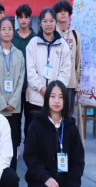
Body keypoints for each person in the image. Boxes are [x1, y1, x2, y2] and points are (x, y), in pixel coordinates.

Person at [24, 80, 84, 187]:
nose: (57, 101)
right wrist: (45, 177)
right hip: (41, 181)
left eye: (61, 97)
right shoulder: (36, 125)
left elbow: (78, 162)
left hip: (62, 184)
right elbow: (30, 157)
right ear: (47, 99)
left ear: (66, 100)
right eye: (52, 96)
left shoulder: (71, 127)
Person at [25, 8, 71, 136]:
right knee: (34, 134)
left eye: (51, 21)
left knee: (53, 135)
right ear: (40, 23)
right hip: (35, 99)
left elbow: (65, 71)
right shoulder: (32, 44)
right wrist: (41, 88)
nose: (48, 24)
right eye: (45, 21)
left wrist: (53, 91)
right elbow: (31, 71)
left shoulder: (63, 45)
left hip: (56, 100)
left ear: (55, 22)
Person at [0, 17, 25, 171]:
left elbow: (21, 80)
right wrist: (1, 102)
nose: (7, 32)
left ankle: (12, 174)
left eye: (10, 29)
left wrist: (13, 102)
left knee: (13, 142)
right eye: (4, 29)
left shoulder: (19, 54)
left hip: (14, 108)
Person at [12, 4, 36, 142]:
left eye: (26, 17)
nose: (23, 20)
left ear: (30, 19)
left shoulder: (35, 38)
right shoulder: (12, 37)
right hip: (14, 87)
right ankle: (15, 146)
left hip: (31, 87)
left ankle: (29, 146)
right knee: (15, 119)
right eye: (20, 17)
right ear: (17, 19)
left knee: (31, 119)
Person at [54, 0, 82, 118]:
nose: (63, 13)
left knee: (68, 116)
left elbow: (78, 60)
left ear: (69, 14)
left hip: (70, 83)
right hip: (55, 82)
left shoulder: (75, 34)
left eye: (65, 11)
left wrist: (77, 84)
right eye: (60, 11)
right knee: (54, 115)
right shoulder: (52, 33)